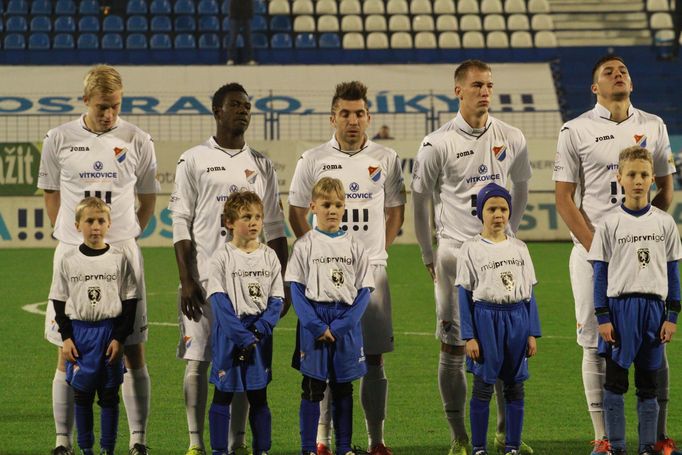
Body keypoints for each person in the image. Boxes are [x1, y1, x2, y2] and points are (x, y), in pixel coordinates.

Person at [553, 55, 677, 455]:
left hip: (643, 256)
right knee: (594, 342)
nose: (618, 73)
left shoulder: (653, 125)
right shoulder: (575, 130)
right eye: (608, 72)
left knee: (653, 341)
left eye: (623, 69)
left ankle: (657, 436)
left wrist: (646, 231)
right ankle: (603, 437)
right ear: (594, 88)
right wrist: (597, 248)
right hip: (592, 256)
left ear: (632, 83)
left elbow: (667, 190)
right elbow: (564, 198)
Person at [411, 59, 532, 455]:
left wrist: (510, 232)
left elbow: (522, 184)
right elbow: (421, 196)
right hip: (454, 256)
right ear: (458, 90)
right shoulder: (437, 142)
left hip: (498, 253)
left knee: (504, 344)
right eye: (478, 85)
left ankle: (501, 434)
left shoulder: (512, 136)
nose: (485, 91)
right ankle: (459, 436)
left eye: (490, 85)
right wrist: (429, 251)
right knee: (453, 346)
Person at [38, 65, 157, 455]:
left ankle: (137, 439)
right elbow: (51, 192)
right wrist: (67, 235)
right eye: (103, 106)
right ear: (85, 100)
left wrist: (126, 235)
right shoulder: (58, 138)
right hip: (74, 254)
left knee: (132, 347)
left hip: (122, 253)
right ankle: (62, 441)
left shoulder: (137, 138)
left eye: (116, 107)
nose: (109, 114)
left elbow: (148, 197)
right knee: (66, 348)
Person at [169, 82, 288, 455]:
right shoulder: (193, 159)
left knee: (244, 364)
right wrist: (187, 280)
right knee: (198, 360)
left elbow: (276, 229)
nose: (243, 111)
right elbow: (180, 223)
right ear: (217, 111)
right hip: (204, 282)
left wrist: (280, 284)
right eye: (235, 105)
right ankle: (195, 443)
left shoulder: (263, 163)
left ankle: (237, 443)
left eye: (247, 106)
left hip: (250, 284)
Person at [288, 81, 405, 455]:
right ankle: (322, 440)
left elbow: (395, 211)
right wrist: (319, 250)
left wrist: (378, 252)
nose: (352, 121)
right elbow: (295, 210)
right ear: (332, 117)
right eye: (345, 114)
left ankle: (376, 440)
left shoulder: (386, 158)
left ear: (368, 117)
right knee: (323, 355)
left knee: (373, 357)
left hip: (372, 273)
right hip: (325, 276)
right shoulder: (313, 159)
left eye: (359, 114)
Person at [588, 146, 681, 455]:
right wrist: (602, 316)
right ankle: (615, 446)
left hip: (654, 312)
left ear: (653, 178)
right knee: (614, 383)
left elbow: (673, 273)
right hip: (620, 309)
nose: (638, 180)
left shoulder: (664, 223)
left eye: (644, 174)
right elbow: (599, 274)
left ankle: (646, 447)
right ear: (620, 178)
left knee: (648, 385)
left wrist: (672, 315)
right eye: (631, 174)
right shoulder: (609, 223)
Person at [286, 177, 374, 455]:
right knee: (312, 388)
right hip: (314, 320)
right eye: (326, 205)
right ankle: (308, 448)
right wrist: (314, 325)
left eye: (338, 204)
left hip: (344, 321)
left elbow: (364, 290)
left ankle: (344, 447)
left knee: (343, 388)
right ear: (313, 207)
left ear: (345, 207)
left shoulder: (355, 245)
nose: (332, 210)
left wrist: (343, 325)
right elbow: (296, 291)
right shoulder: (304, 245)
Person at [456, 183, 541, 455]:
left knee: (515, 388)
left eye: (503, 208)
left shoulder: (519, 248)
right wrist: (469, 336)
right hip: (486, 319)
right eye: (492, 208)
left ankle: (512, 446)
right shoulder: (470, 249)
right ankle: (479, 447)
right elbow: (464, 294)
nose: (498, 214)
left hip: (516, 317)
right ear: (481, 212)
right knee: (483, 387)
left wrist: (531, 332)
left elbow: (530, 294)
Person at [51, 197, 138, 455]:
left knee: (109, 396)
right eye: (89, 221)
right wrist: (66, 338)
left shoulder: (119, 258)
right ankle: (86, 449)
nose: (95, 226)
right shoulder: (67, 260)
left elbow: (130, 301)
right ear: (78, 225)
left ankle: (107, 450)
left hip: (109, 333)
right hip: (80, 334)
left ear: (109, 224)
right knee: (82, 396)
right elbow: (59, 301)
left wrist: (119, 338)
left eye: (101, 221)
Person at [206, 191, 284, 455]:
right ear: (229, 222)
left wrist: (260, 330)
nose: (254, 222)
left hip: (259, 335)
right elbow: (219, 302)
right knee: (223, 394)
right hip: (231, 333)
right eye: (246, 217)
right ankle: (219, 450)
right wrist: (242, 336)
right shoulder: (221, 257)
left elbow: (277, 301)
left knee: (258, 395)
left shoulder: (269, 256)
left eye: (258, 217)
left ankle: (262, 450)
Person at [226, 0, 255, 65]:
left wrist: (250, 13)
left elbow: (250, 3)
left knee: (248, 39)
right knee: (233, 38)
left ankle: (250, 59)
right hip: (235, 15)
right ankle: (230, 58)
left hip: (246, 14)